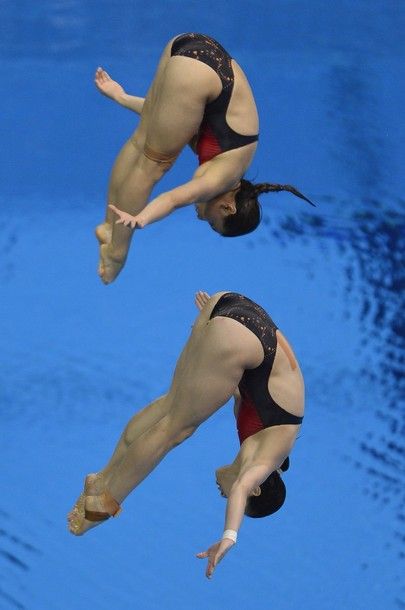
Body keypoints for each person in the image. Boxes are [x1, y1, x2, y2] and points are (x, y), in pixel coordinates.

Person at [68, 290, 304, 578]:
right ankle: (103, 504)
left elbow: (238, 388)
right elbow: (241, 488)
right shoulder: (265, 460)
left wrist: (217, 328)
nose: (225, 495)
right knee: (176, 430)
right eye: (230, 499)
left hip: (231, 306)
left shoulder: (266, 434)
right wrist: (229, 537)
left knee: (172, 406)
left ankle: (103, 478)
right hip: (241, 337)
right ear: (257, 487)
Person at [95, 32, 314, 283]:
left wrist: (120, 96)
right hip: (196, 72)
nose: (200, 217)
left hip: (189, 45)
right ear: (228, 207)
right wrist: (141, 219)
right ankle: (117, 253)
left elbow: (162, 117)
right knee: (152, 165)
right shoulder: (220, 179)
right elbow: (173, 199)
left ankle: (108, 225)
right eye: (212, 223)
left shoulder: (222, 154)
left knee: (143, 137)